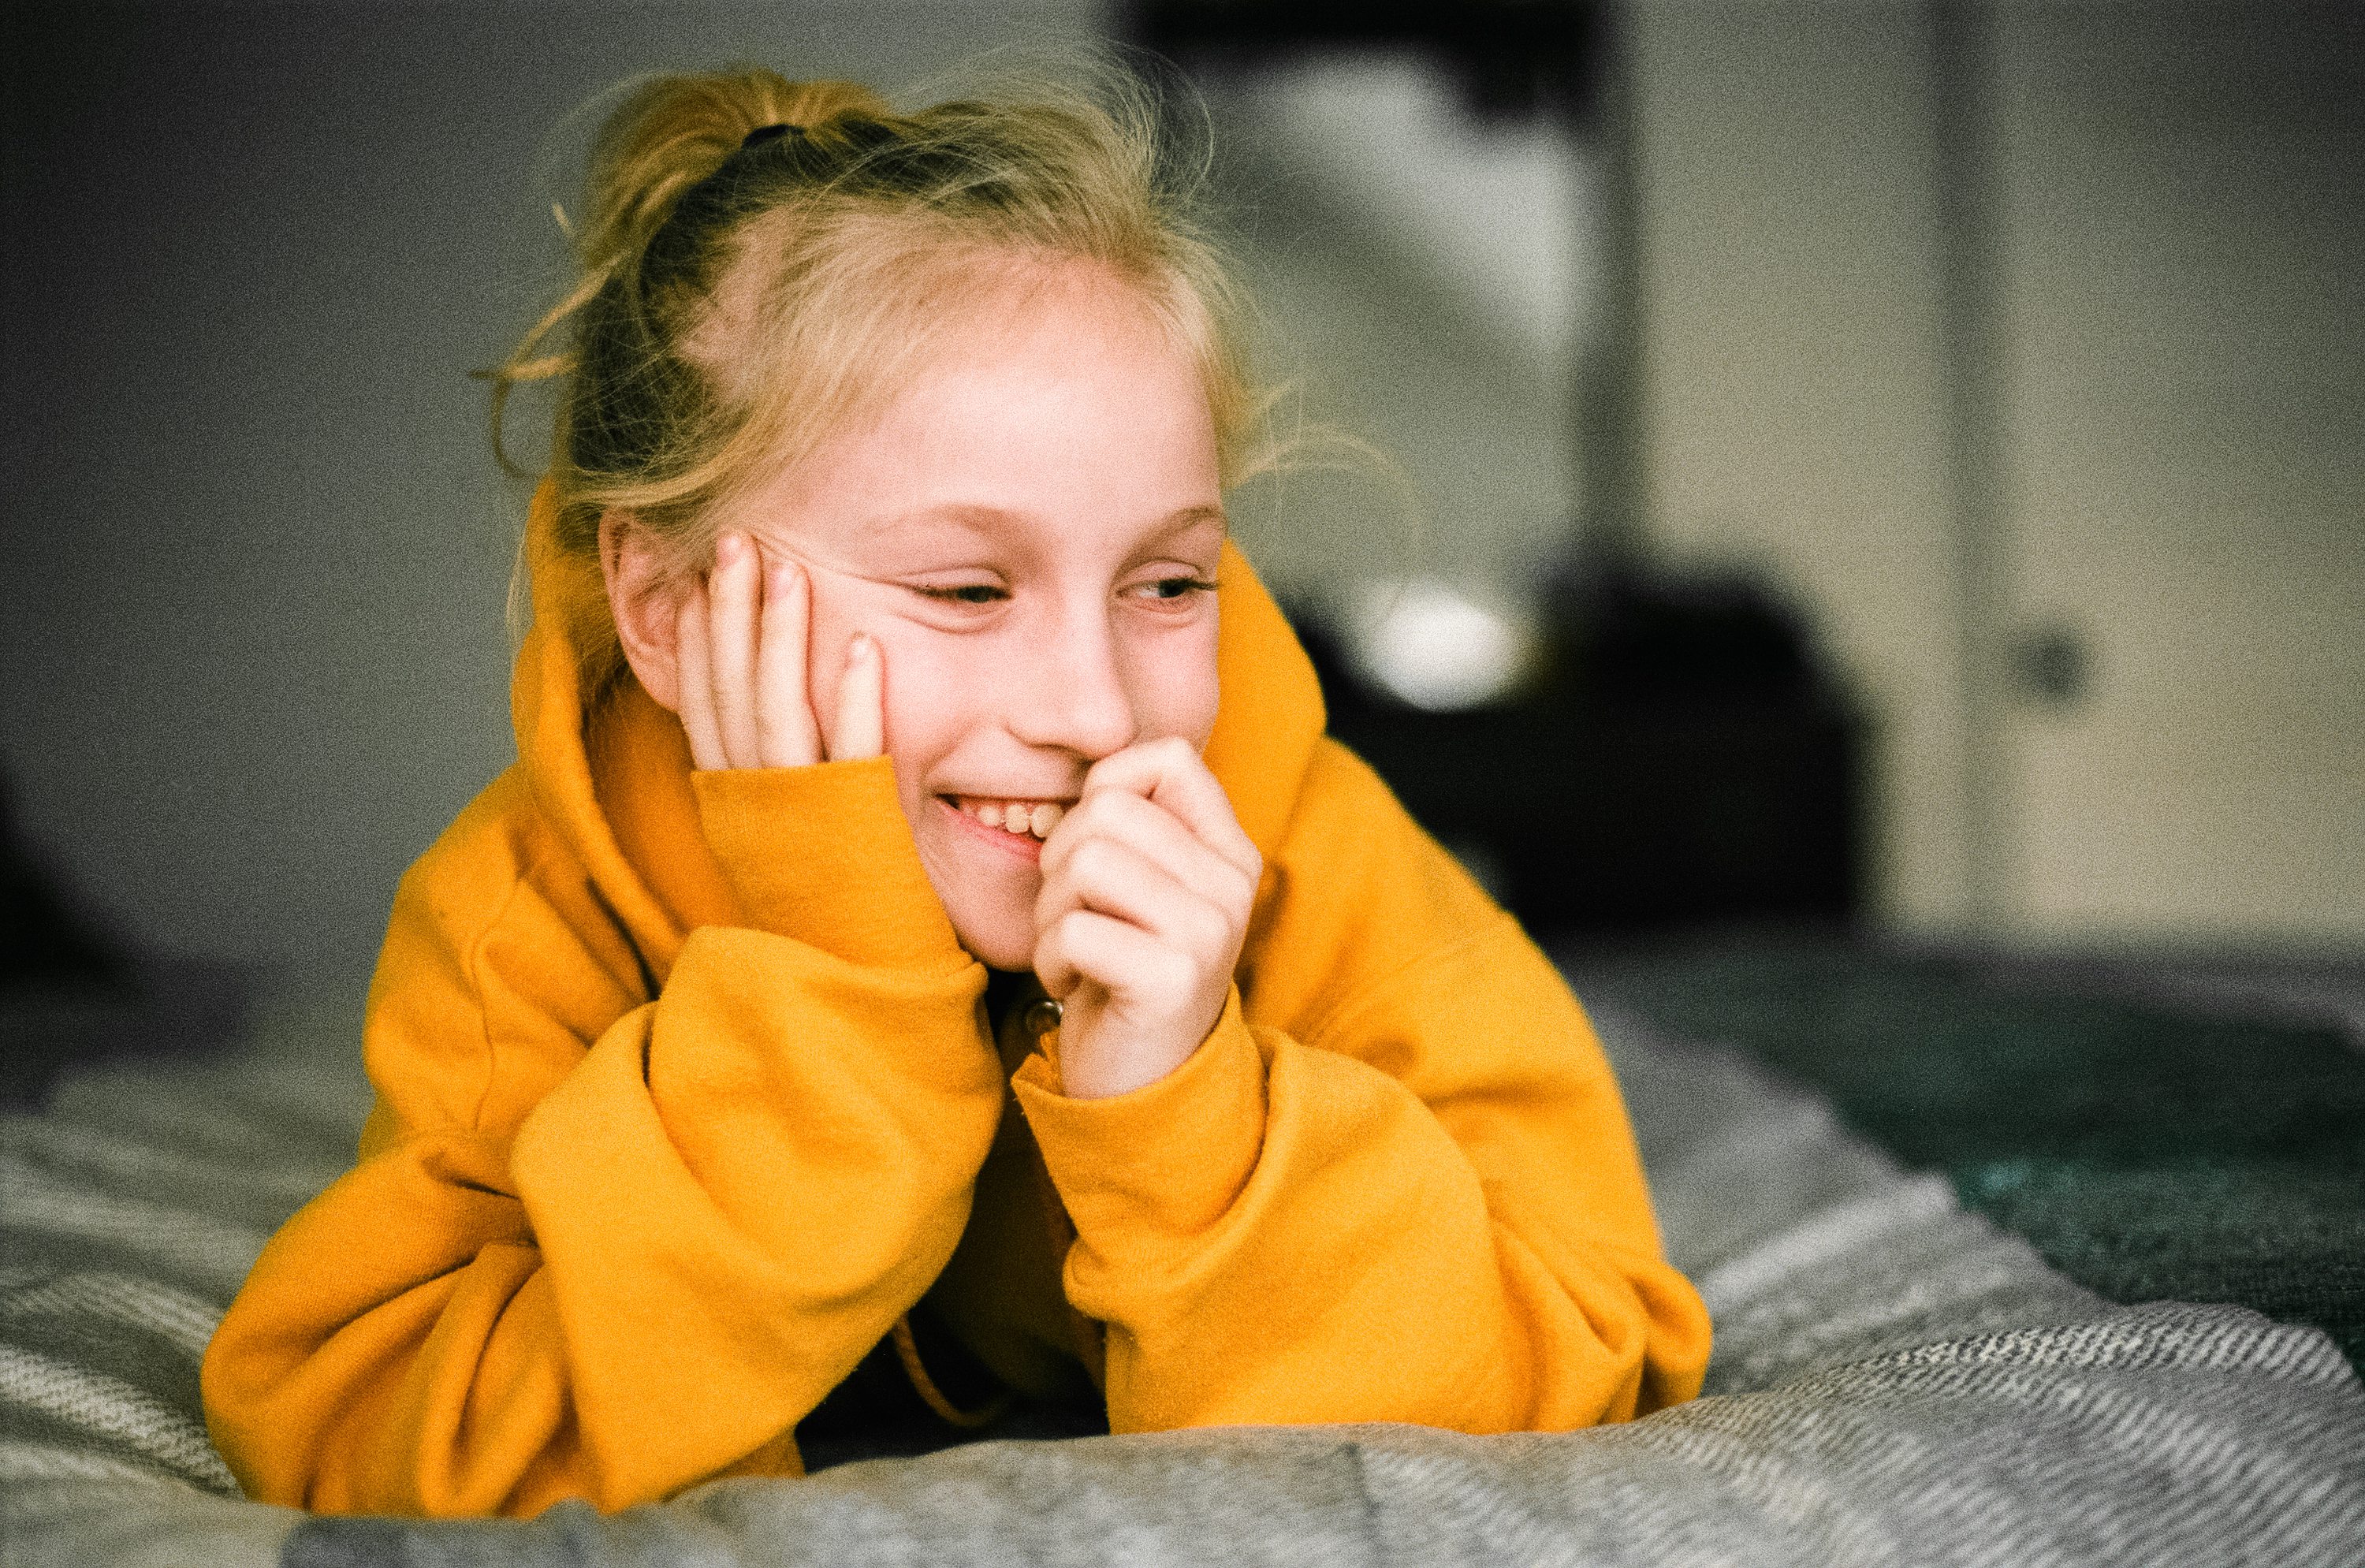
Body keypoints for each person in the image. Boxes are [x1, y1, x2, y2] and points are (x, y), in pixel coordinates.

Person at [200, 64, 1711, 1519]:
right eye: (968, 585)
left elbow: (1595, 1342)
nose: (1092, 706)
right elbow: (378, 1431)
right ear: (664, 610)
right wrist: (833, 998)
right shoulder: (538, 912)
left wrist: (1200, 1118)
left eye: (1170, 579)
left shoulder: (1291, 837)